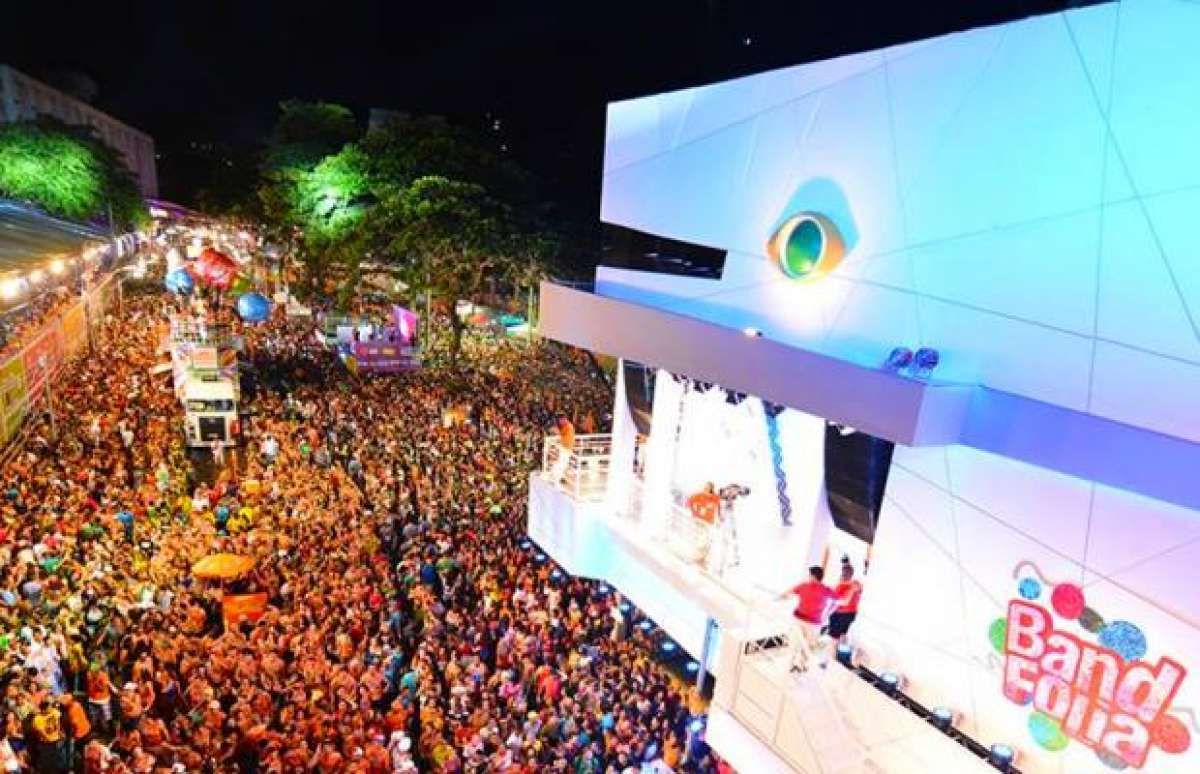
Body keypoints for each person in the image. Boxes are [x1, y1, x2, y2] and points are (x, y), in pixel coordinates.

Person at [780, 566, 833, 672]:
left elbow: (786, 593)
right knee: (807, 645)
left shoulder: (805, 586)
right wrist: (827, 613)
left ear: (813, 576)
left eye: (810, 575)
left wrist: (783, 597)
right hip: (811, 622)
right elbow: (840, 601)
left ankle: (796, 665)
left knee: (798, 642)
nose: (809, 577)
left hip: (803, 621)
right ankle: (800, 665)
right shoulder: (825, 590)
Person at [828, 560, 863, 643]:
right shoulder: (855, 583)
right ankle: (837, 651)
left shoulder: (846, 585)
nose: (843, 574)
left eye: (844, 572)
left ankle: (833, 654)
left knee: (834, 638)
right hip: (849, 614)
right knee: (841, 636)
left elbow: (843, 601)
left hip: (842, 614)